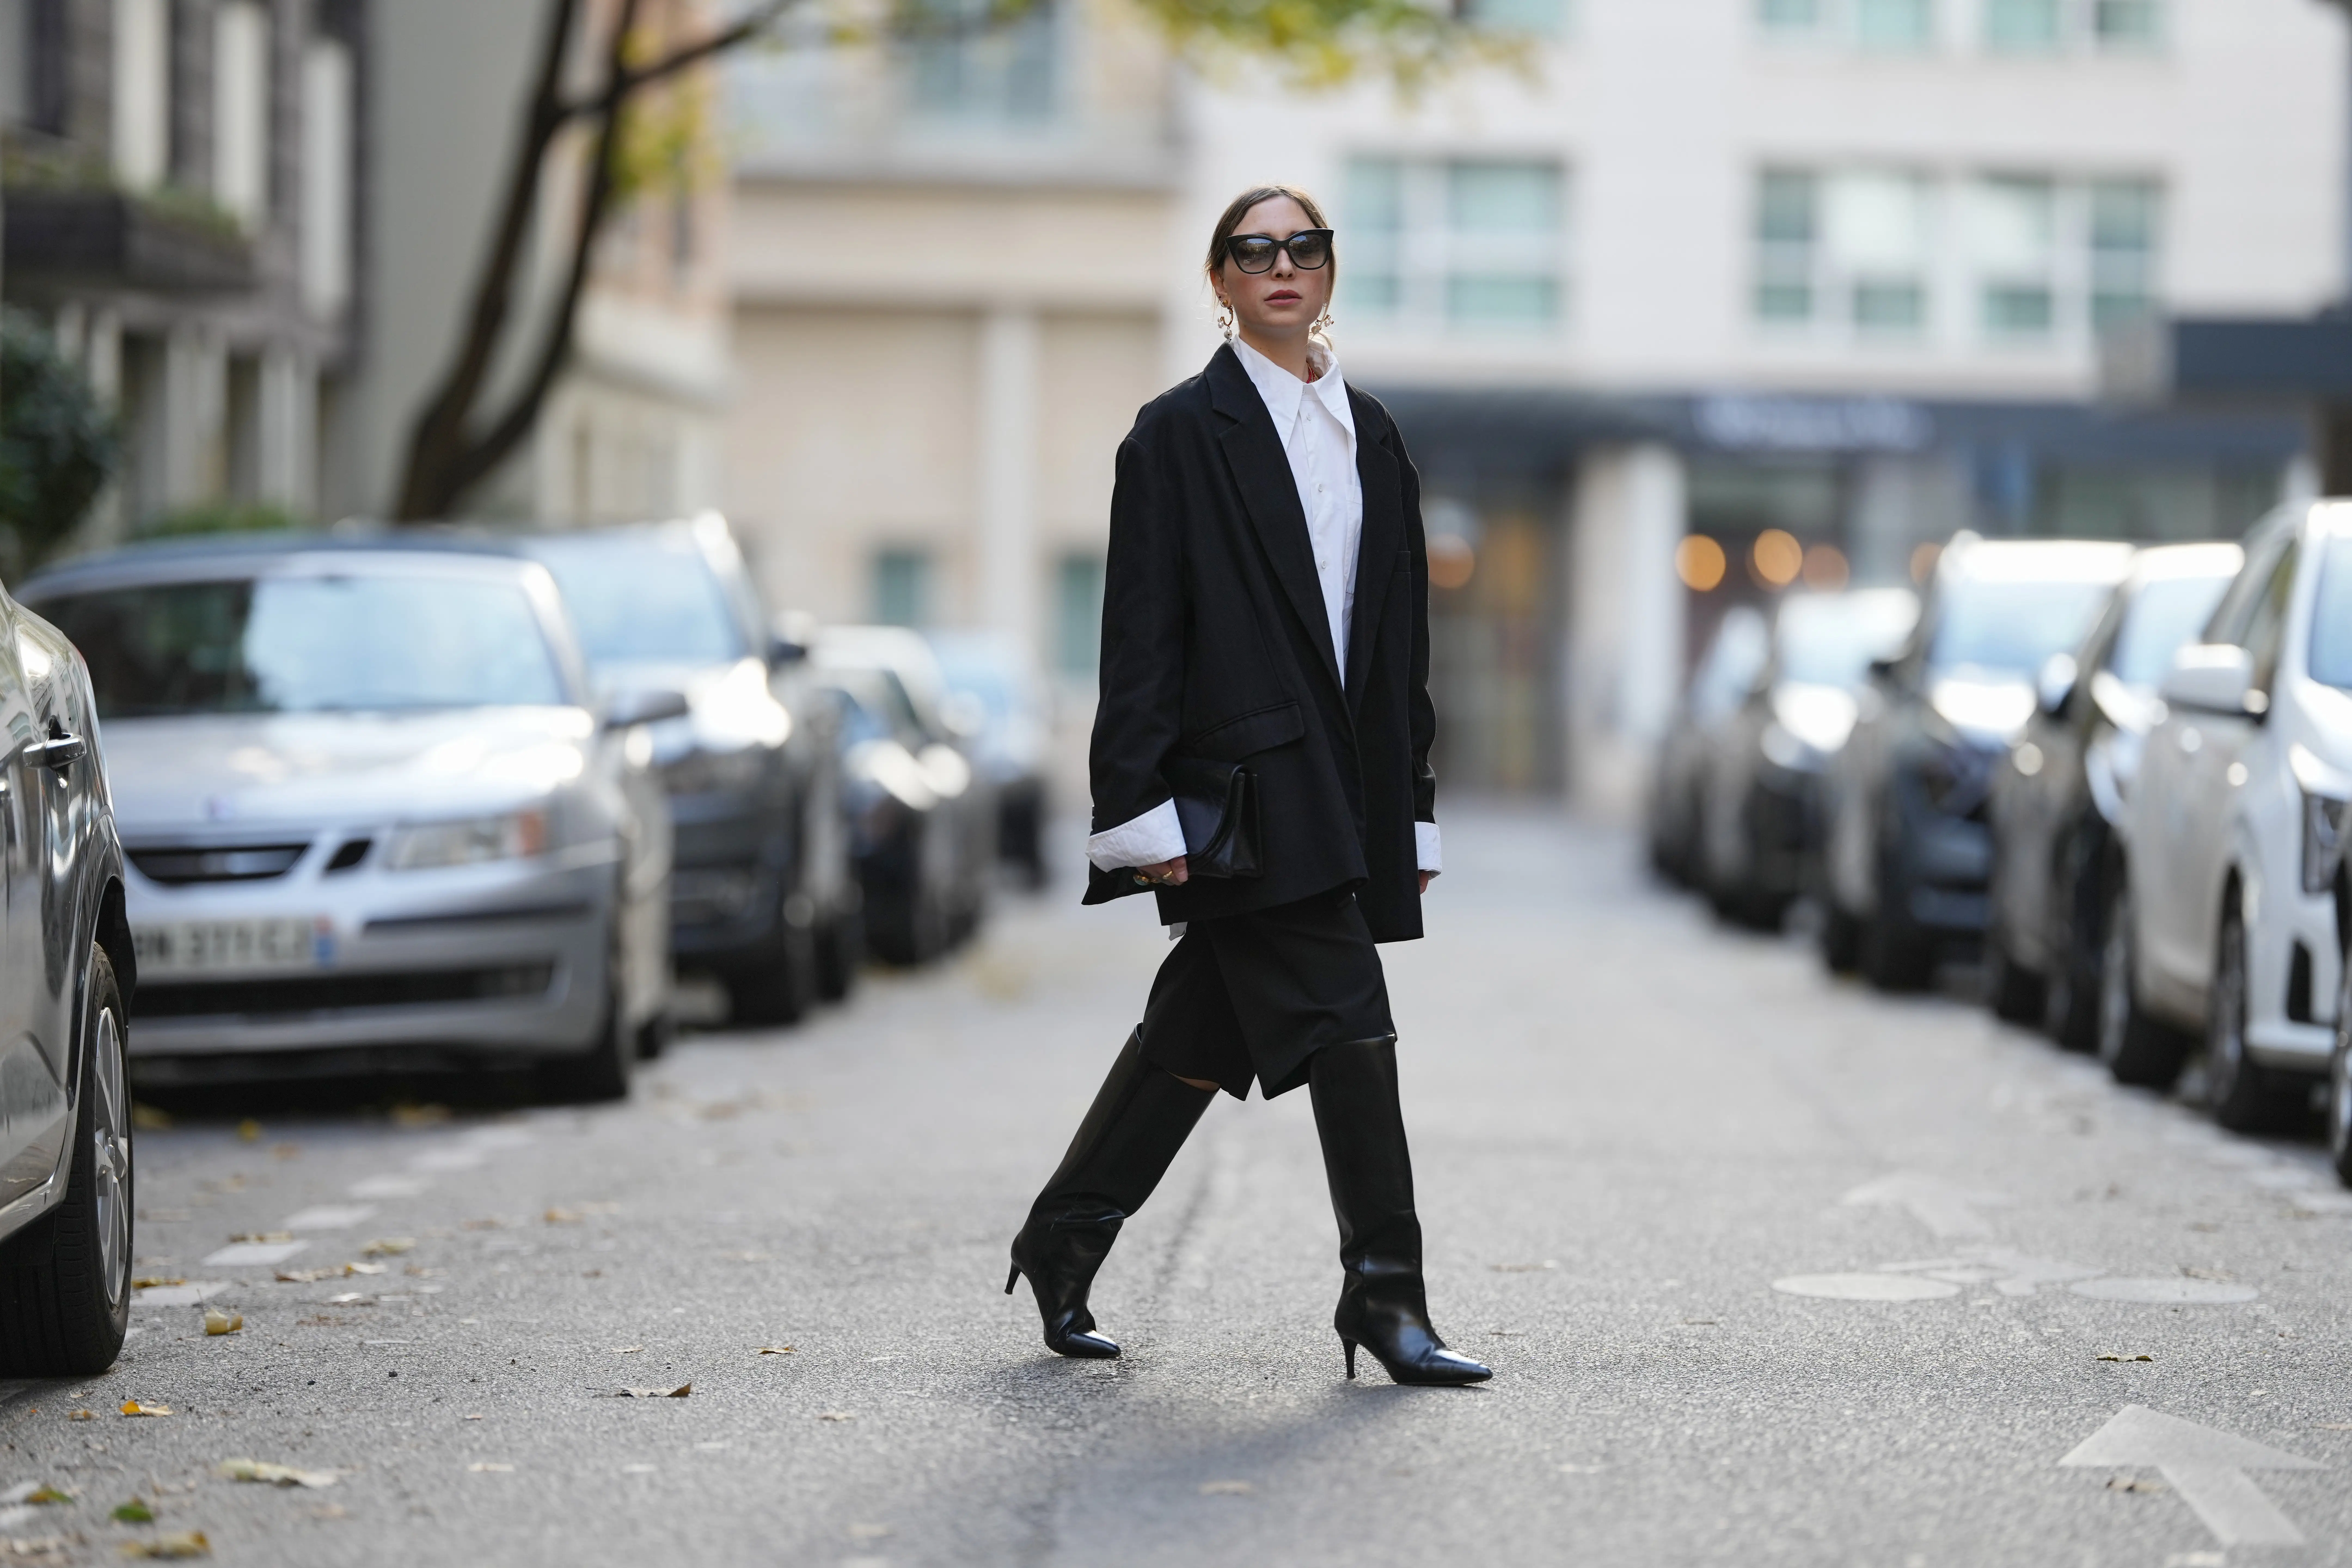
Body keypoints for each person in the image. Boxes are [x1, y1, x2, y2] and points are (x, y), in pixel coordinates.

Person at [1003, 184, 1490, 1387]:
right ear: (1220, 282)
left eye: (1303, 248)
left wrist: (1411, 802)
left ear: (1330, 273)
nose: (1281, 266)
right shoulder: (1177, 433)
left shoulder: (1370, 432)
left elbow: (1396, 648)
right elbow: (1141, 635)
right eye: (1253, 251)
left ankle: (1062, 1239)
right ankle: (1385, 1296)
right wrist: (1134, 814)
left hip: (1348, 791)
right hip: (1245, 796)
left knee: (1201, 1030)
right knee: (1348, 1017)